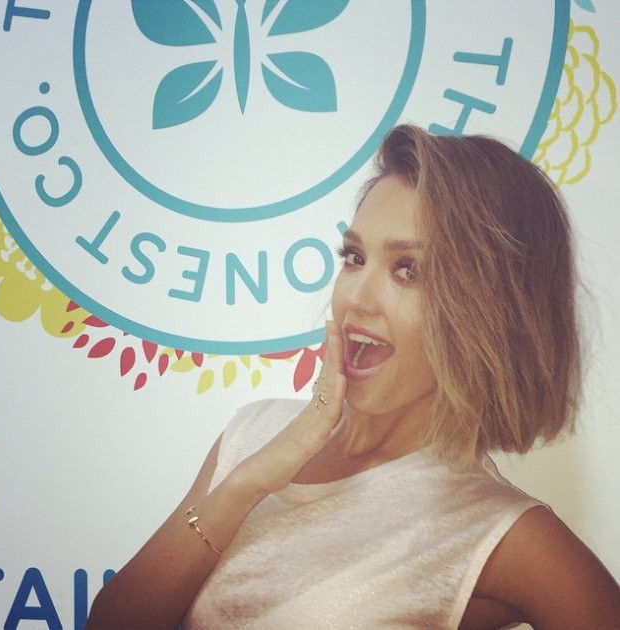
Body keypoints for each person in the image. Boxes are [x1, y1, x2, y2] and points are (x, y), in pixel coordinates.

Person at [86, 125, 620, 629]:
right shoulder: (253, 432)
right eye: (355, 257)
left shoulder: (500, 530)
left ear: (492, 308)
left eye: (408, 270)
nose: (357, 298)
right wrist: (247, 484)